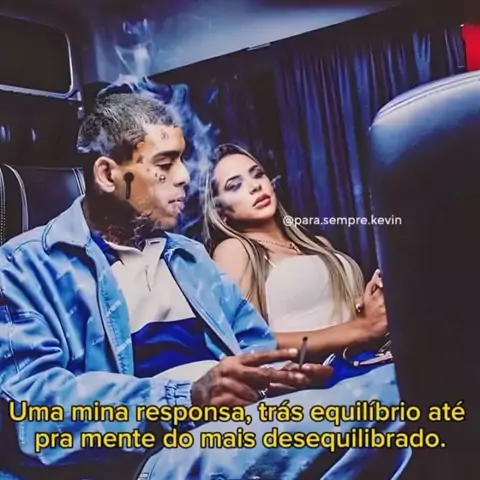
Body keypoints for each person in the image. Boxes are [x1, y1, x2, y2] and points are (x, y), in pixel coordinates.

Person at [0, 94, 409, 480]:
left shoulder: (190, 257)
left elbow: (254, 349)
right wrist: (186, 398)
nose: (183, 178)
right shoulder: (25, 265)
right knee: (401, 397)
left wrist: (279, 376)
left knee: (410, 381)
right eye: (165, 163)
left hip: (241, 425)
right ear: (109, 174)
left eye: (182, 160)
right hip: (148, 456)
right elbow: (33, 413)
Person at [203, 143, 389, 363]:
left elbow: (331, 311)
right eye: (235, 186)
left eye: (258, 174)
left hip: (370, 360)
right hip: (322, 377)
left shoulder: (318, 244)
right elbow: (248, 343)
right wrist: (362, 328)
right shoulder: (234, 250)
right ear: (221, 212)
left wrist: (369, 302)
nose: (255, 186)